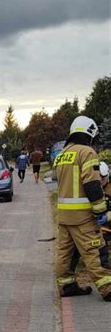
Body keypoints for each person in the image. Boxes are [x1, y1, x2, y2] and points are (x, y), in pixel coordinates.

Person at [54, 116, 111, 301]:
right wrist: (100, 210)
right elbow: (92, 184)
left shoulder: (63, 154)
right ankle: (108, 288)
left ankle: (66, 285)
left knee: (65, 252)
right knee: (95, 251)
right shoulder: (87, 152)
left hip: (64, 215)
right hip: (83, 216)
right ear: (89, 132)